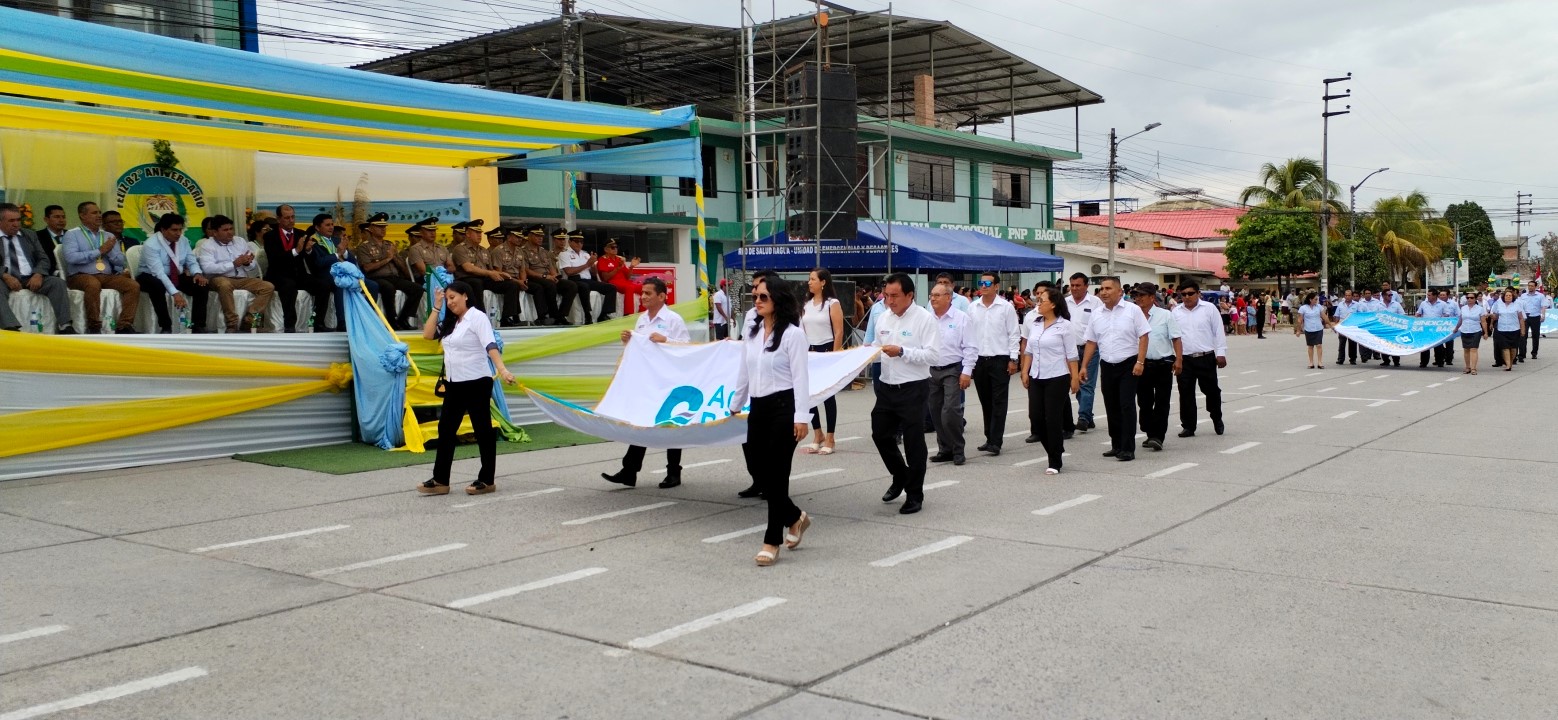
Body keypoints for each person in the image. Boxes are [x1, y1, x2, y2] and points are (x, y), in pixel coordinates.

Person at [728, 275, 813, 567]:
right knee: (762, 474)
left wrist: (802, 417)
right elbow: (744, 370)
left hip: (783, 408)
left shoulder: (792, 334)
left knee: (777, 475)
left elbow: (802, 378)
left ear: (778, 299)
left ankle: (771, 540)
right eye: (756, 296)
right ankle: (794, 517)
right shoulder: (750, 332)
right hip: (758, 407)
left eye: (764, 296)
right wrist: (735, 403)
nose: (757, 301)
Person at [417, 280, 517, 496]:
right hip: (454, 384)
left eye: (453, 297)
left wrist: (502, 369)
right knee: (446, 430)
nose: (450, 302)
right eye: (448, 299)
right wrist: (436, 306)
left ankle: (487, 479)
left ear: (466, 296)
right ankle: (441, 480)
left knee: (482, 430)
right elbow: (427, 334)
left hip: (476, 382)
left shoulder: (477, 317)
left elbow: (490, 345)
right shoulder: (453, 322)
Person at [602, 278, 691, 488]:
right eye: (642, 293)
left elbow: (687, 347)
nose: (643, 297)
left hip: (669, 380)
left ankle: (673, 472)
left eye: (648, 293)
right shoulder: (641, 319)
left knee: (671, 425)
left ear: (662, 296)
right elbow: (640, 349)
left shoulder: (673, 319)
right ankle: (629, 471)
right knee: (641, 422)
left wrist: (666, 340)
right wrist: (629, 341)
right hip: (648, 381)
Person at [870, 273, 939, 515]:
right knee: (880, 434)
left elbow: (932, 356)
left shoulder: (924, 319)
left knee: (913, 442)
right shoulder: (883, 319)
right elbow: (876, 349)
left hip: (913, 388)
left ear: (910, 295)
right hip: (887, 387)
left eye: (895, 296)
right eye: (886, 295)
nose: (889, 301)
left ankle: (914, 494)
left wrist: (902, 351)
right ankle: (900, 475)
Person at [1080, 277, 1150, 462]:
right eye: (1102, 288)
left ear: (1120, 292)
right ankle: (1116, 444)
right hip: (1107, 365)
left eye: (1108, 288)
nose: (1104, 292)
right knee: (1111, 405)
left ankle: (1127, 448)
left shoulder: (1133, 310)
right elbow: (1091, 341)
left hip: (1128, 364)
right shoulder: (1097, 314)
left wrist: (1140, 362)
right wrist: (1084, 366)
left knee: (1126, 405)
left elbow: (1143, 336)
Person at [1019, 286, 1079, 475]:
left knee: (1052, 419)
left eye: (1041, 300)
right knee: (1036, 418)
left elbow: (1071, 355)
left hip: (1057, 377)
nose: (1038, 303)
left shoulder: (1065, 326)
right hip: (1036, 375)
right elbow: (1028, 350)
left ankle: (1055, 460)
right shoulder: (1035, 323)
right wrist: (1024, 371)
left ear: (1052, 304)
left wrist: (1074, 378)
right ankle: (1055, 447)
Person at [62, 201, 140, 333]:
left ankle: (124, 325)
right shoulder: (72, 234)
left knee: (133, 286)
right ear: (82, 216)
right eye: (94, 213)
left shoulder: (108, 235)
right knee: (93, 284)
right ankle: (94, 326)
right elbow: (71, 258)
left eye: (99, 212)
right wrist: (99, 251)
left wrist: (111, 252)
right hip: (79, 276)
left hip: (106, 275)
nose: (98, 216)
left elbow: (120, 262)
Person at [967, 271, 1020, 456]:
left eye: (987, 284)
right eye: (981, 283)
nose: (983, 286)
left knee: (999, 402)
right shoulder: (973, 308)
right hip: (980, 361)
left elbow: (1014, 334)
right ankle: (989, 437)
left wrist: (1014, 359)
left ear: (996, 286)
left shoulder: (1006, 307)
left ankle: (996, 441)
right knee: (985, 401)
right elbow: (968, 336)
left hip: (1000, 360)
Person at [0, 202, 75, 333]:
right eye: (11, 221)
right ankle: (10, 327)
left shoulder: (29, 235)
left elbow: (43, 258)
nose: (16, 224)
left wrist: (38, 274)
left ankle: (65, 326)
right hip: (5, 278)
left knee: (57, 283)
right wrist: (5, 276)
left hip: (30, 277)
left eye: (18, 220)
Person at [195, 215, 275, 333]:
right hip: (218, 278)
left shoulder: (240, 241)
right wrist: (233, 264)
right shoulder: (207, 245)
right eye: (225, 230)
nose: (230, 233)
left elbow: (252, 265)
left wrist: (248, 263)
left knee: (268, 286)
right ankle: (232, 324)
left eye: (231, 229)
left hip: (241, 278)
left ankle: (250, 322)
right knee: (224, 284)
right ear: (215, 232)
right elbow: (207, 268)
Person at [927, 282, 976, 466]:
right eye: (932, 295)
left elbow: (971, 346)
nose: (933, 298)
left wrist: (967, 372)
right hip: (931, 370)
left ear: (948, 297)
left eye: (937, 295)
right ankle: (944, 449)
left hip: (953, 369)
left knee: (950, 411)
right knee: (935, 411)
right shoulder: (926, 318)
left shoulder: (961, 318)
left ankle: (958, 449)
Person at [135, 212, 210, 334]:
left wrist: (197, 273)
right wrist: (175, 294)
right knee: (157, 285)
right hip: (150, 275)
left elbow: (191, 261)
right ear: (163, 230)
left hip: (175, 275)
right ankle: (165, 326)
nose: (178, 233)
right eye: (174, 230)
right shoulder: (151, 245)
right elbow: (159, 273)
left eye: (180, 229)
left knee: (202, 285)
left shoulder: (183, 240)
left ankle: (198, 326)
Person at [262, 204, 331, 333]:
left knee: (323, 285)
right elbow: (275, 259)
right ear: (278, 219)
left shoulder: (301, 234)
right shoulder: (270, 236)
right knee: (289, 286)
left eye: (293, 217)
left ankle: (318, 323)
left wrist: (309, 250)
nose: (291, 220)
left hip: (298, 273)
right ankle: (289, 325)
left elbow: (308, 258)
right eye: (287, 218)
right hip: (278, 274)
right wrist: (296, 250)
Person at [1171, 280, 1227, 438]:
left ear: (1198, 294)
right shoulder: (1175, 312)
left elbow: (1218, 331)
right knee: (1186, 393)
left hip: (1206, 357)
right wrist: (1176, 358)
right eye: (1183, 294)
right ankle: (1188, 426)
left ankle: (1216, 418)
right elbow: (1173, 337)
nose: (1187, 297)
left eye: (1190, 293)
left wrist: (1221, 353)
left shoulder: (1209, 309)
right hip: (1184, 359)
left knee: (1212, 391)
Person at [1132, 282, 1182, 452]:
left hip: (1163, 363)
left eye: (1142, 295)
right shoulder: (1132, 315)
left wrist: (1179, 360)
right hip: (1142, 365)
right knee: (1144, 402)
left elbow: (1176, 338)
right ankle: (1149, 430)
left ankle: (1157, 436)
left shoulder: (1165, 315)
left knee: (1162, 401)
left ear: (1152, 297)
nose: (1138, 299)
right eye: (1136, 295)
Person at [801, 267, 845, 455]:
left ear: (823, 282)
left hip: (826, 350)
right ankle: (817, 433)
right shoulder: (806, 303)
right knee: (809, 396)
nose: (809, 282)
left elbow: (839, 331)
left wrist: (834, 357)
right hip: (809, 352)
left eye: (813, 279)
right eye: (809, 279)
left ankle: (830, 437)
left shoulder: (831, 303)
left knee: (827, 396)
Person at [355, 212, 424, 330]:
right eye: (379, 227)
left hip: (394, 277)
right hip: (376, 278)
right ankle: (391, 321)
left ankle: (403, 319)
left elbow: (404, 270)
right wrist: (387, 258)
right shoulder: (364, 247)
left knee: (417, 289)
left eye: (384, 227)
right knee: (388, 287)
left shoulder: (389, 244)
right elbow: (367, 268)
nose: (383, 229)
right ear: (371, 228)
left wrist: (395, 257)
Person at [1064, 272, 1104, 433]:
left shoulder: (1096, 303)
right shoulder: (1064, 302)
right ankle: (1089, 416)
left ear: (1086, 286)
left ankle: (1083, 418)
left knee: (1086, 383)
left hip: (1089, 349)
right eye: (1072, 285)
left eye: (1078, 285)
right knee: (1075, 383)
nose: (1074, 288)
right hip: (1068, 351)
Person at [559, 230, 617, 323]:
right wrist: (587, 264)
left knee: (611, 288)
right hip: (574, 280)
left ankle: (604, 314)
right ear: (570, 242)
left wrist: (593, 265)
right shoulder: (564, 254)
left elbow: (593, 273)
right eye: (576, 241)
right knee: (584, 286)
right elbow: (569, 272)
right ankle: (587, 315)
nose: (579, 244)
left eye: (581, 242)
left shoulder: (585, 254)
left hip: (588, 280)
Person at [519, 225, 569, 324]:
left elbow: (551, 267)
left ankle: (562, 315)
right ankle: (552, 315)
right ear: (529, 236)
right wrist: (545, 276)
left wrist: (554, 276)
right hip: (535, 277)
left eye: (541, 236)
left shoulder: (544, 251)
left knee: (571, 286)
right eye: (537, 236)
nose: (540, 238)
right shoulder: (523, 251)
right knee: (549, 285)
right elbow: (526, 270)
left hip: (548, 277)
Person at [595, 237, 645, 316]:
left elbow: (627, 277)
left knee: (645, 287)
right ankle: (628, 314)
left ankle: (643, 313)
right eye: (612, 247)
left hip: (624, 282)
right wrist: (617, 269)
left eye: (616, 247)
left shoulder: (619, 259)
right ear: (606, 249)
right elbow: (605, 278)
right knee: (629, 288)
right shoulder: (602, 260)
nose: (615, 249)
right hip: (613, 283)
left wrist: (631, 266)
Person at [549, 229, 584, 323]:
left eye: (564, 239)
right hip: (556, 279)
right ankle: (557, 317)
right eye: (559, 239)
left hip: (570, 279)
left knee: (575, 285)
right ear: (554, 240)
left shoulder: (569, 253)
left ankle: (563, 316)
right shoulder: (550, 254)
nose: (562, 241)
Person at [404, 217, 453, 282]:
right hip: (427, 280)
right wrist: (439, 276)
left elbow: (452, 267)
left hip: (444, 278)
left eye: (434, 230)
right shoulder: (415, 249)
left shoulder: (442, 248)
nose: (433, 233)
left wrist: (443, 274)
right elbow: (423, 271)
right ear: (421, 232)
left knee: (463, 287)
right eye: (429, 230)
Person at [1490, 288, 1525, 372]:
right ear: (1503, 297)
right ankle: (1508, 365)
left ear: (1512, 297)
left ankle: (1511, 361)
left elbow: (1521, 318)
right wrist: (1491, 317)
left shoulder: (1517, 305)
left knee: (1513, 349)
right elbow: (1496, 316)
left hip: (1514, 329)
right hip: (1502, 329)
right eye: (1506, 295)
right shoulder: (1499, 304)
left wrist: (1522, 330)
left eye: (1510, 296)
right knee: (1505, 348)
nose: (1508, 297)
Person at [1295, 291, 1331, 369]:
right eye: (1315, 299)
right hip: (1308, 329)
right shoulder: (1303, 308)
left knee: (1319, 345)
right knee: (1310, 346)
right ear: (1310, 299)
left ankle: (1320, 362)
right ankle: (1311, 362)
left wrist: (1331, 325)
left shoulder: (1319, 307)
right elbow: (1299, 320)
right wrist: (1298, 330)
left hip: (1318, 328)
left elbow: (1324, 317)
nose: (1316, 301)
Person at [1458, 291, 1487, 375]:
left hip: (1475, 331)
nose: (1469, 299)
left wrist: (1485, 333)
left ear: (1475, 299)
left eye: (1472, 298)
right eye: (1468, 298)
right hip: (1464, 330)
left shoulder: (1480, 309)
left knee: (1473, 349)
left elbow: (1483, 321)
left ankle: (1473, 368)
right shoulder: (1463, 308)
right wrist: (1456, 328)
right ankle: (1467, 367)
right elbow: (1460, 320)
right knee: (1466, 349)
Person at [1376, 287, 1405, 367]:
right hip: (1383, 329)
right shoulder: (1378, 305)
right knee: (1383, 345)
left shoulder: (1396, 304)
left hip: (1394, 329)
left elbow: (1402, 315)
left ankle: (1396, 361)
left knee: (1394, 345)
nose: (1390, 296)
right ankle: (1386, 360)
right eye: (1389, 295)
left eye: (1391, 295)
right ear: (1383, 296)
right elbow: (1374, 316)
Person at [1520, 281, 1548, 360]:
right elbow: (1520, 307)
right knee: (1523, 335)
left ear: (1535, 287)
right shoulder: (1523, 296)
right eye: (1529, 286)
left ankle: (1534, 353)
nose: (1530, 287)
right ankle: (1522, 353)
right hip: (1525, 317)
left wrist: (1542, 315)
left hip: (1535, 317)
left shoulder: (1540, 296)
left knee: (1535, 336)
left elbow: (1543, 306)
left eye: (1532, 286)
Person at [1331, 289, 1357, 364]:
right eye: (1346, 295)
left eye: (1349, 295)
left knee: (1352, 344)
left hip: (1352, 327)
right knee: (1342, 343)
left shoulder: (1356, 305)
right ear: (1344, 296)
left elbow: (1360, 316)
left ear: (1352, 296)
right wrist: (1336, 326)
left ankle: (1353, 359)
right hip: (1342, 327)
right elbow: (1337, 316)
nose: (1347, 297)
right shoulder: (1340, 305)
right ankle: (1340, 359)